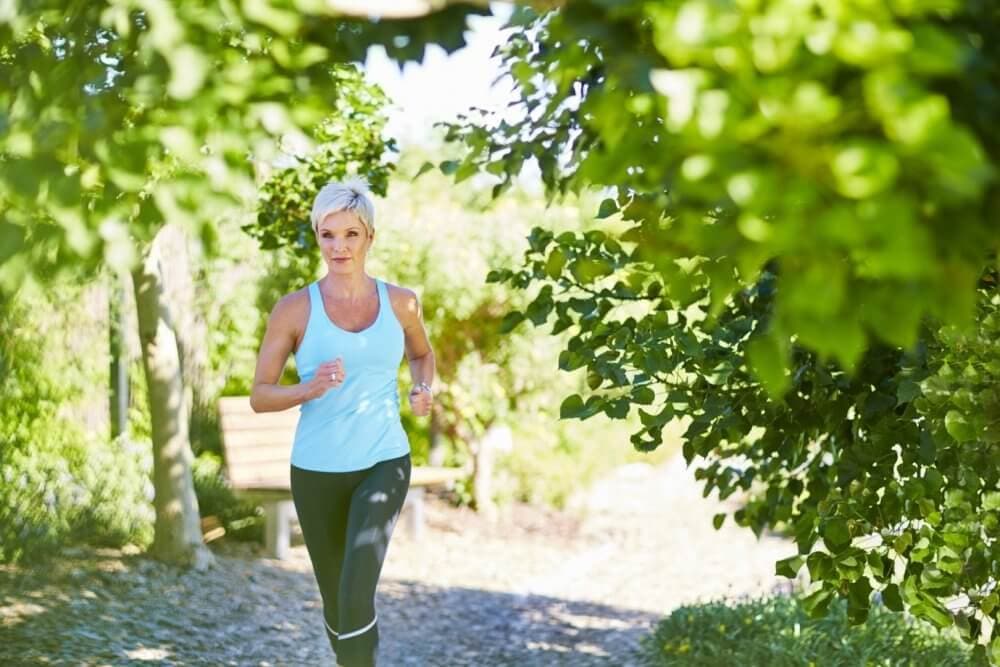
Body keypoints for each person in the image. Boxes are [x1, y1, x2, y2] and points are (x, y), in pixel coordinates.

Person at [249, 177, 435, 666]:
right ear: (317, 237)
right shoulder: (293, 309)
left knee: (356, 595)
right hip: (316, 471)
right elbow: (260, 395)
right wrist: (308, 388)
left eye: (351, 234)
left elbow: (422, 355)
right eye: (328, 234)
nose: (339, 246)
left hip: (383, 461)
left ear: (369, 237)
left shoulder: (401, 303)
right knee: (336, 603)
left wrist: (423, 388)